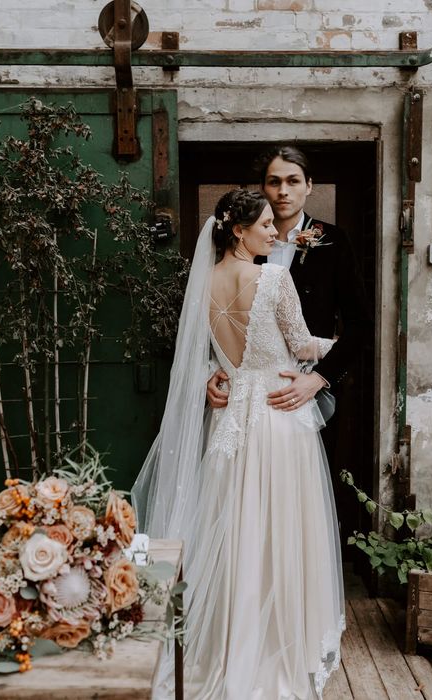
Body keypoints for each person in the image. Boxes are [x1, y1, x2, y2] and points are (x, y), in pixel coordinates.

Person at [132, 189, 344, 699]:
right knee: (278, 530)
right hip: (274, 417)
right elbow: (301, 346)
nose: (276, 232)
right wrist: (340, 349)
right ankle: (276, 644)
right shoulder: (272, 278)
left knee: (235, 529)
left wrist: (216, 377)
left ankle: (223, 643)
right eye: (267, 224)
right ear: (240, 230)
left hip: (228, 422)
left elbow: (207, 355)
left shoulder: (203, 282)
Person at [206, 145, 370, 425]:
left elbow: (360, 325)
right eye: (274, 182)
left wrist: (319, 378)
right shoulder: (238, 246)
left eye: (293, 181)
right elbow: (213, 318)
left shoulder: (334, 241)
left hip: (310, 396)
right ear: (262, 189)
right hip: (243, 399)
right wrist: (209, 372)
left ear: (308, 186)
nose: (283, 191)